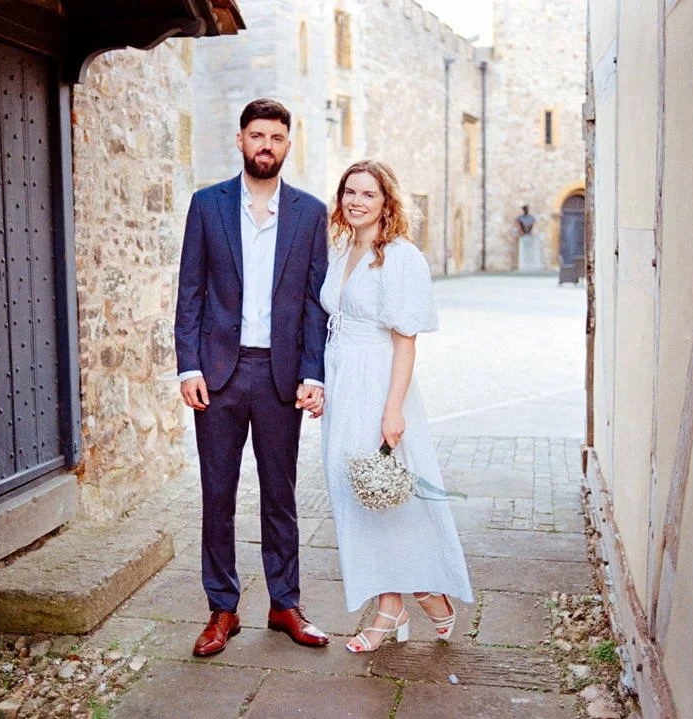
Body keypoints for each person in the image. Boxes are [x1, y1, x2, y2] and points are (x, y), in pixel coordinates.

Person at [175, 98, 331, 657]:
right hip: (219, 373)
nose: (267, 146)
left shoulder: (311, 214)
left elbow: (315, 303)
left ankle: (285, 603)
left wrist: (313, 373)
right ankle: (223, 608)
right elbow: (190, 290)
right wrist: (189, 366)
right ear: (240, 140)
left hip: (280, 377)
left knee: (280, 494)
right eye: (257, 135)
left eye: (277, 137)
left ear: (288, 145)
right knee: (217, 493)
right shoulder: (207, 205)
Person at [319, 160, 473, 653]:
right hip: (343, 382)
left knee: (390, 492)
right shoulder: (343, 249)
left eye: (369, 193)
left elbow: (405, 341)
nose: (357, 201)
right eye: (350, 192)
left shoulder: (401, 257)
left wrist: (393, 409)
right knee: (357, 492)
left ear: (387, 202)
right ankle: (395, 602)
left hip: (378, 382)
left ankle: (420, 596)